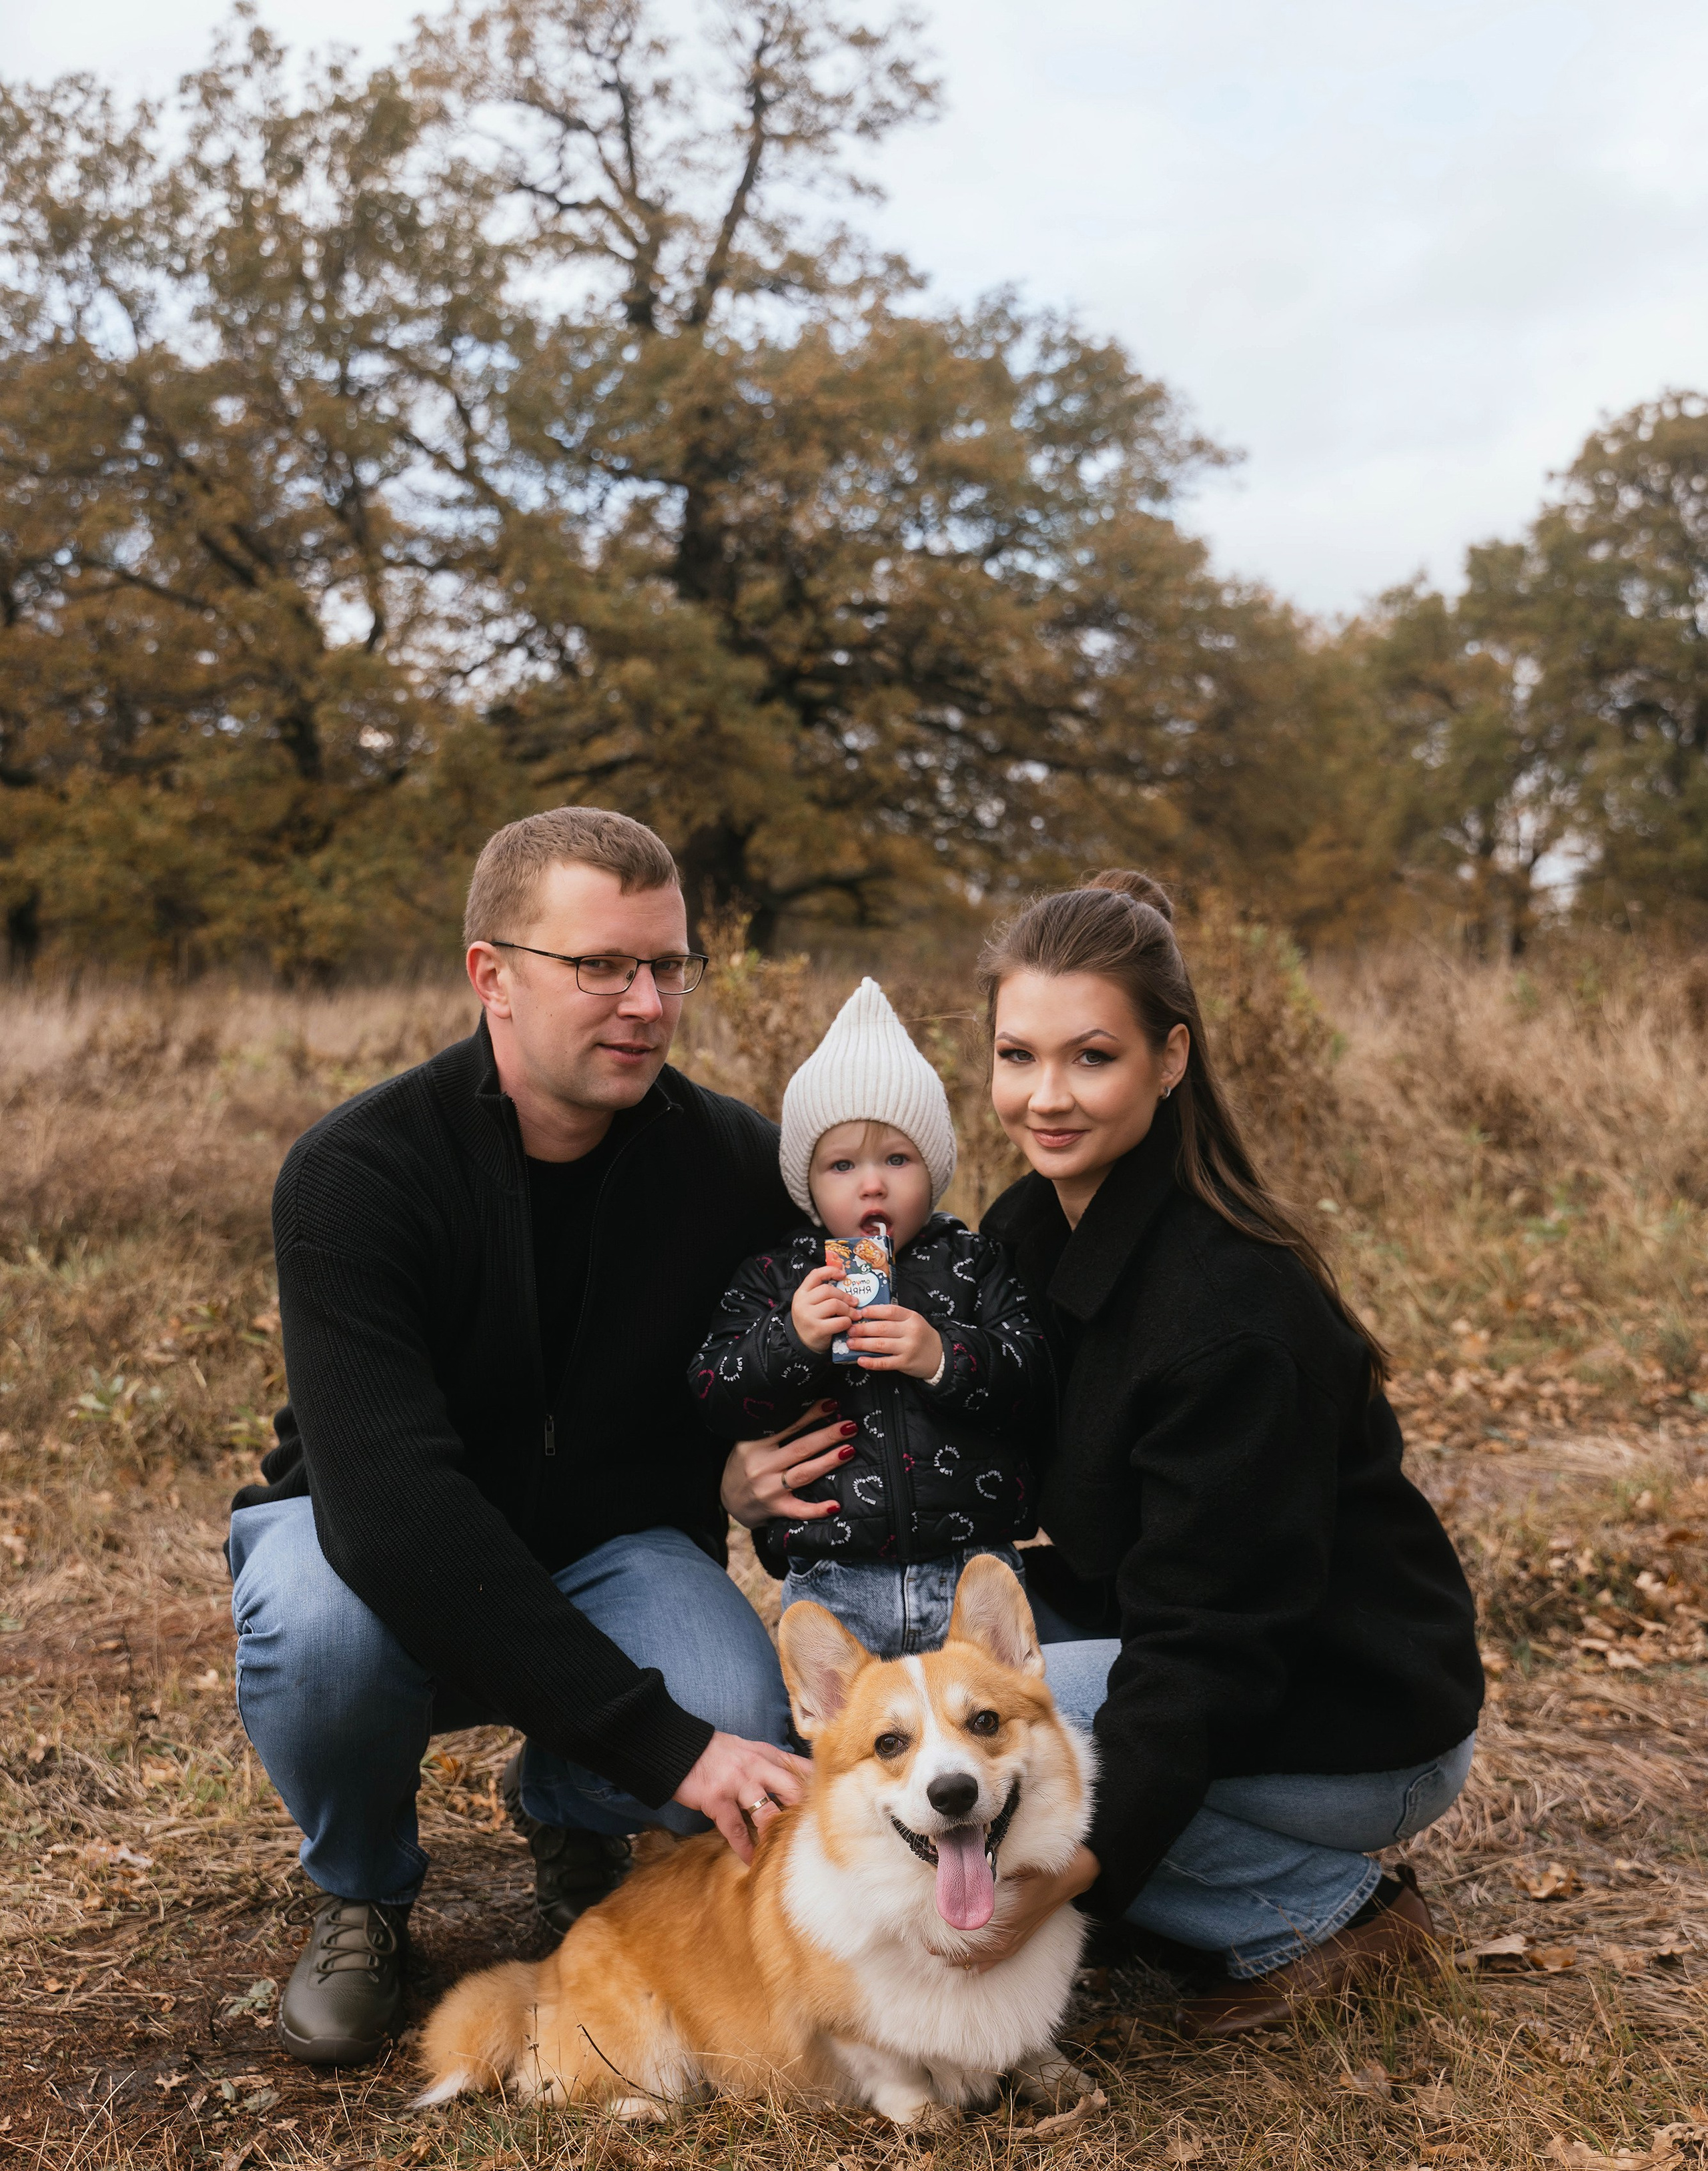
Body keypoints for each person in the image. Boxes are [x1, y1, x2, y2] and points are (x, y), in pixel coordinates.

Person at [227, 807, 854, 2066]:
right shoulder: (358, 1174)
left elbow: (784, 1357)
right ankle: (365, 1890)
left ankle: (570, 1810)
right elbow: (396, 1511)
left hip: (613, 1545)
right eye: (600, 967)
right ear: (491, 975)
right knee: (315, 1625)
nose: (644, 1004)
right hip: (375, 1551)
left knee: (736, 1696)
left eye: (667, 966)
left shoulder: (732, 1163)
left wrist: (733, 1460)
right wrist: (662, 1745)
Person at [953, 870, 1483, 2035]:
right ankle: (1190, 1882)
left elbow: (1209, 1654)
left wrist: (1057, 1892)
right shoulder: (1029, 1230)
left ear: (1172, 1058)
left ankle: (1324, 1912)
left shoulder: (1234, 1312)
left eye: (1091, 1058)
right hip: (1203, 1657)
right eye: (1016, 1056)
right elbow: (981, 1455)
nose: (1045, 1097)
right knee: (932, 1688)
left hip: (1355, 1712)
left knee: (988, 1727)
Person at [689, 978, 1050, 1655]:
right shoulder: (776, 1278)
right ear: (807, 1182)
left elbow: (1035, 1378)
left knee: (982, 1735)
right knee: (840, 1745)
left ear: (933, 1167)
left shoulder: (974, 1263)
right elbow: (715, 1391)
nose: (871, 1183)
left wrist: (943, 1357)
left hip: (970, 1574)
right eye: (841, 1164)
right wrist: (792, 1339)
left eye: (896, 1158)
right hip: (836, 1579)